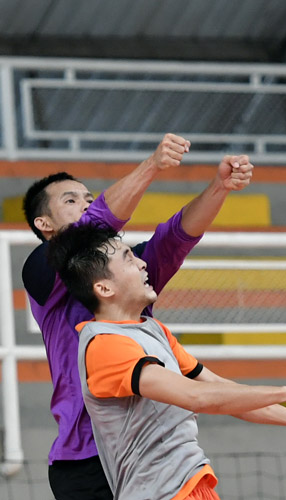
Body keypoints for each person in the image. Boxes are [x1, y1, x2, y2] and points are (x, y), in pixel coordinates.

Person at [47, 223, 286, 500]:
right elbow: (197, 397)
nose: (143, 263)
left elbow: (222, 390)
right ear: (103, 288)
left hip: (191, 485)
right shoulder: (105, 345)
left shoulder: (153, 330)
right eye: (129, 258)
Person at [21, 133, 254, 500]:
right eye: (71, 200)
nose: (85, 204)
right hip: (87, 461)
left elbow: (176, 237)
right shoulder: (42, 271)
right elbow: (95, 226)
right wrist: (153, 165)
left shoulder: (130, 272)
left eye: (89, 198)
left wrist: (218, 188)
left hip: (151, 452)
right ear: (44, 224)